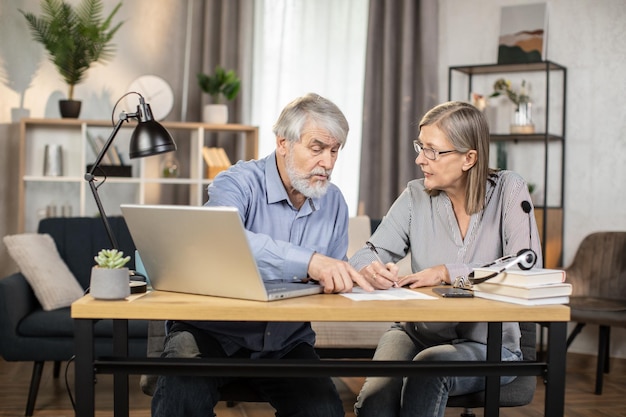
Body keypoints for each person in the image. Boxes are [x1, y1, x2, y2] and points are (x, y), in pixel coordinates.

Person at [151, 93, 372, 417]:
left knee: (323, 411)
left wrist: (351, 275)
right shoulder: (237, 182)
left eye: (335, 150)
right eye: (317, 148)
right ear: (283, 143)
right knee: (181, 402)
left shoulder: (334, 201)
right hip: (212, 332)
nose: (328, 162)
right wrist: (309, 261)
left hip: (285, 341)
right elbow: (221, 240)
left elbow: (330, 275)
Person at [349, 101, 542, 417]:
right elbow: (366, 253)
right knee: (375, 402)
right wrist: (371, 270)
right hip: (415, 333)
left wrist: (448, 272)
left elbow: (525, 268)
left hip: (489, 344)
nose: (419, 159)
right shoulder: (415, 196)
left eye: (432, 151)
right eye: (420, 147)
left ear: (469, 158)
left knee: (429, 370)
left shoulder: (510, 189)